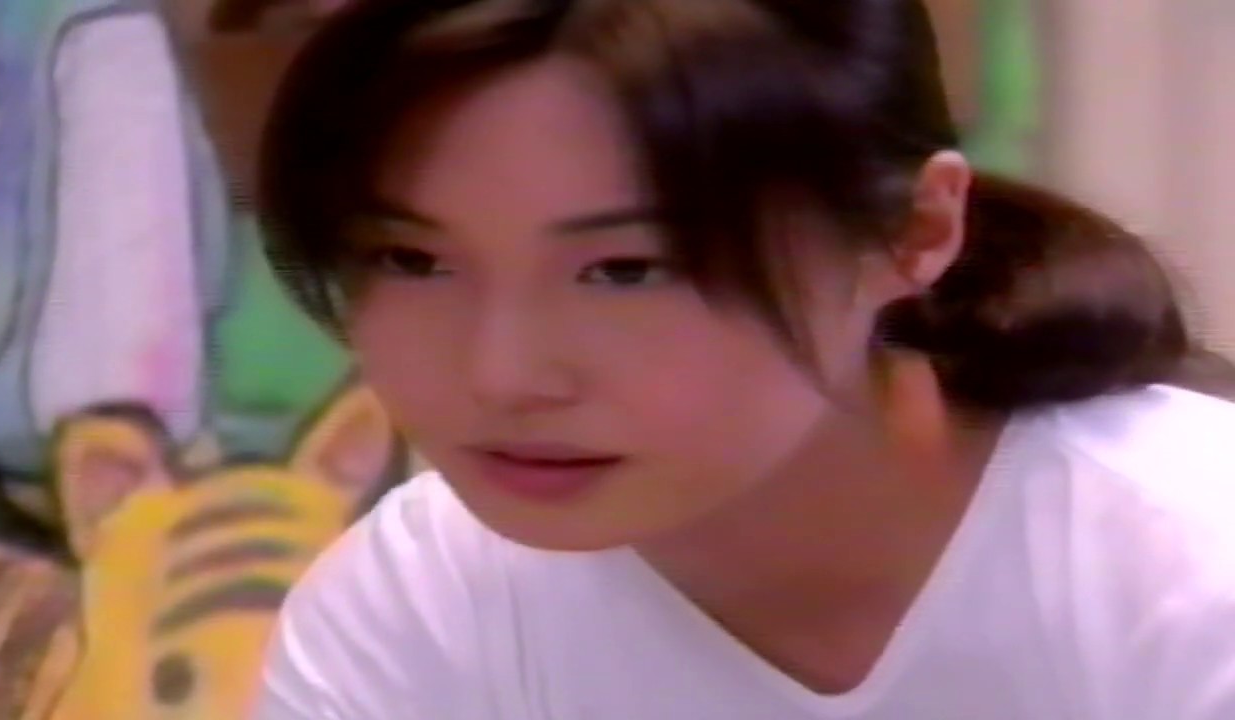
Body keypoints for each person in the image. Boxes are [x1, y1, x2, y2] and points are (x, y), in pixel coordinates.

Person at [249, 0, 1235, 717]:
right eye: (412, 261)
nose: (500, 375)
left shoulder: (1185, 570)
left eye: (625, 271)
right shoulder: (423, 606)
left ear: (913, 231)